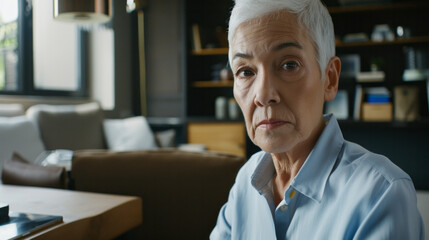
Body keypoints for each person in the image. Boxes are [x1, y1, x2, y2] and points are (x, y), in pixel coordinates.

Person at [210, 0, 425, 239]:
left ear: (329, 79)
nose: (263, 95)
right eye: (246, 72)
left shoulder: (381, 194)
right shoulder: (245, 181)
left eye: (289, 65)